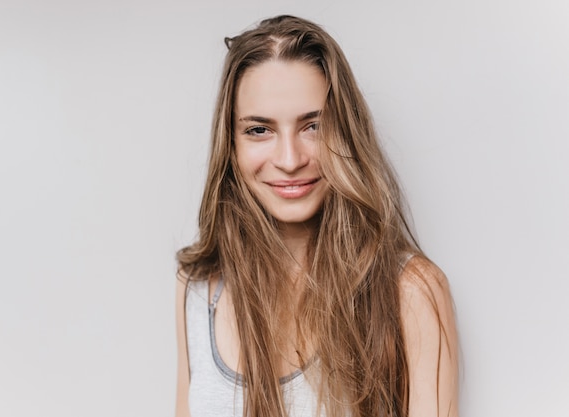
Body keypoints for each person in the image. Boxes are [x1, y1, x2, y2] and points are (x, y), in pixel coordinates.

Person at [175, 15, 459, 417]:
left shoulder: (412, 291)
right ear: (231, 145)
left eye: (314, 126)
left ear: (346, 132)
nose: (290, 160)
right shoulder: (198, 286)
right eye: (260, 130)